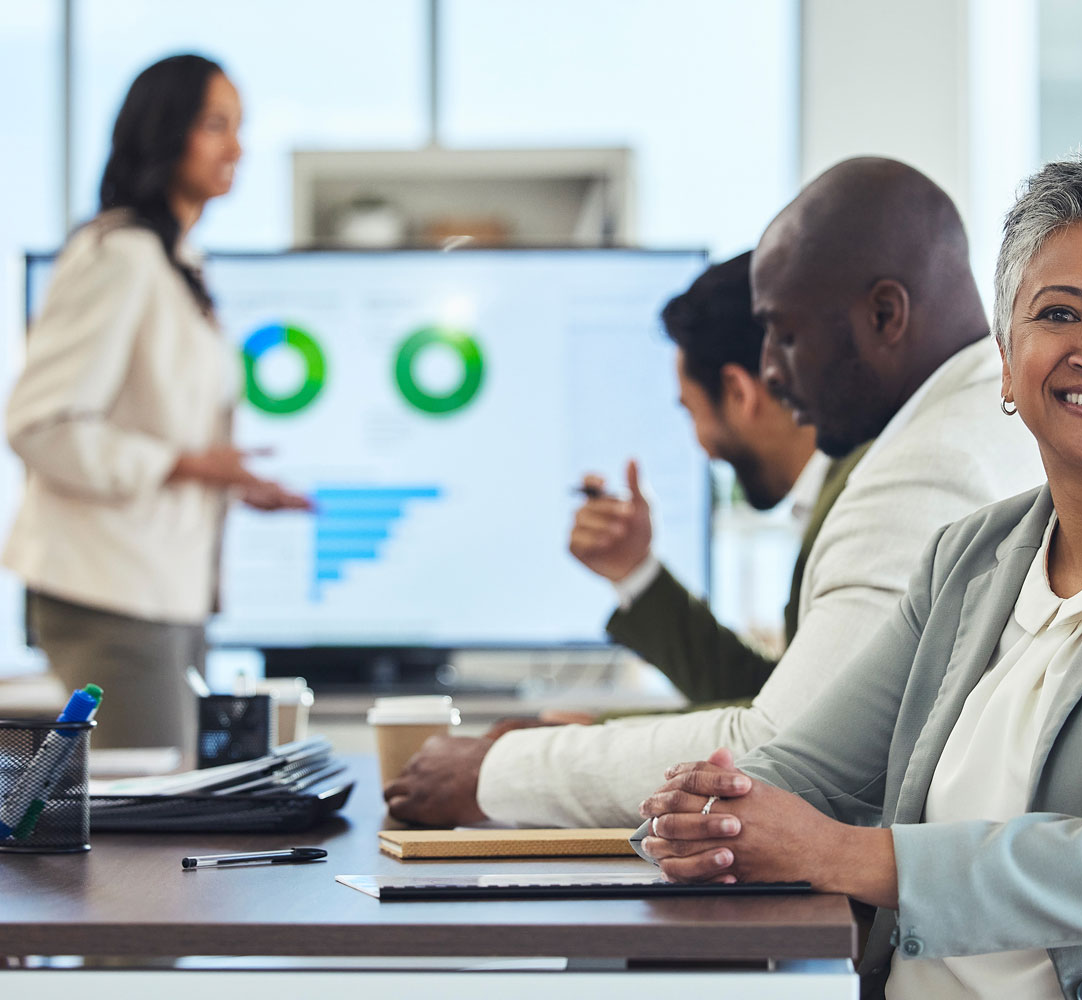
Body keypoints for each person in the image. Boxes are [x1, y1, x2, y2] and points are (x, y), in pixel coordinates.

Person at [636, 151, 1082, 1000]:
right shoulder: (967, 558)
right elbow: (802, 771)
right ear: (1008, 356)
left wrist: (845, 852)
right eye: (1060, 312)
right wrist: (702, 809)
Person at [383, 156, 1042, 829]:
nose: (771, 372)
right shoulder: (977, 422)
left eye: (785, 336)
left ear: (884, 314)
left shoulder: (926, 467)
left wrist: (504, 773)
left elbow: (785, 754)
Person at [1, 54, 309, 751]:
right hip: (111, 592)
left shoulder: (177, 266)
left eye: (239, 127)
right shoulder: (119, 256)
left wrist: (227, 478)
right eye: (215, 125)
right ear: (165, 131)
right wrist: (186, 465)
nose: (237, 148)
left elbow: (157, 420)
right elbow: (38, 424)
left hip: (167, 592)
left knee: (171, 817)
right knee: (147, 831)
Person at [568, 251, 864, 713]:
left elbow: (794, 729)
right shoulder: (843, 489)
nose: (703, 447)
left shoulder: (859, 503)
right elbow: (774, 698)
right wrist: (634, 568)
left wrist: (581, 746)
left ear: (739, 391)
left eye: (691, 410)